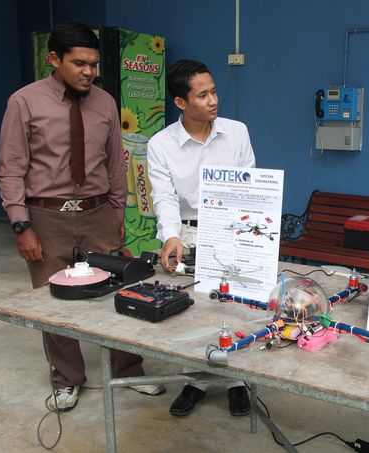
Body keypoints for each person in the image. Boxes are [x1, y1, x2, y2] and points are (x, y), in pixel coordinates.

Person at [0, 22, 165, 412]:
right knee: (52, 300)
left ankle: (129, 370)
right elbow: (10, 169)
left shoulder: (105, 102)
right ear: (53, 59)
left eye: (94, 64)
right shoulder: (24, 102)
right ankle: (67, 379)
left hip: (98, 213)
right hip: (46, 217)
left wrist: (117, 212)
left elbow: (115, 163)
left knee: (119, 292)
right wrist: (21, 225)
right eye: (79, 63)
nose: (89, 72)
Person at [147, 59, 255, 417]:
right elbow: (164, 197)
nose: (213, 100)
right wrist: (171, 236)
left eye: (214, 91)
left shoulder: (236, 132)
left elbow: (250, 184)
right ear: (181, 102)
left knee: (236, 306)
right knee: (194, 310)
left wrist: (250, 235)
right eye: (203, 95)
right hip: (189, 232)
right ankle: (196, 381)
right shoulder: (161, 144)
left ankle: (238, 382)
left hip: (233, 229)